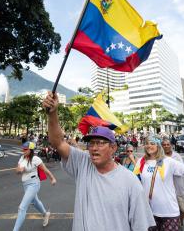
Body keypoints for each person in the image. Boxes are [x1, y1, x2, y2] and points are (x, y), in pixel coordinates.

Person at [43, 92, 155, 231]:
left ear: (113, 148)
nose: (94, 148)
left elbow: (141, 226)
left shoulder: (130, 182)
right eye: (91, 143)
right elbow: (58, 143)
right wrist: (52, 113)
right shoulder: (83, 163)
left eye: (100, 143)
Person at [135, 135, 184, 231]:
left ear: (158, 145)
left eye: (152, 143)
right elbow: (135, 182)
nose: (149, 146)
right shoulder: (141, 162)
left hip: (168, 212)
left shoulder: (168, 161)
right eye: (147, 143)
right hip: (149, 212)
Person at [13, 141, 56, 230]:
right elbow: (17, 170)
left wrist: (52, 178)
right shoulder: (22, 158)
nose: (23, 151)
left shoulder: (35, 159)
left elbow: (45, 170)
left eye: (25, 149)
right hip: (25, 184)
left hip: (34, 184)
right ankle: (45, 214)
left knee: (22, 208)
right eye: (23, 149)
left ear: (31, 150)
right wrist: (19, 170)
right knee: (35, 201)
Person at [162, 137, 184, 230]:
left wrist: (172, 169)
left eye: (168, 144)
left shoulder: (177, 156)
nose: (166, 146)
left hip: (178, 188)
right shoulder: (160, 158)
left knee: (182, 208)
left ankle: (181, 223)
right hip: (165, 189)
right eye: (164, 145)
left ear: (171, 146)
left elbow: (182, 170)